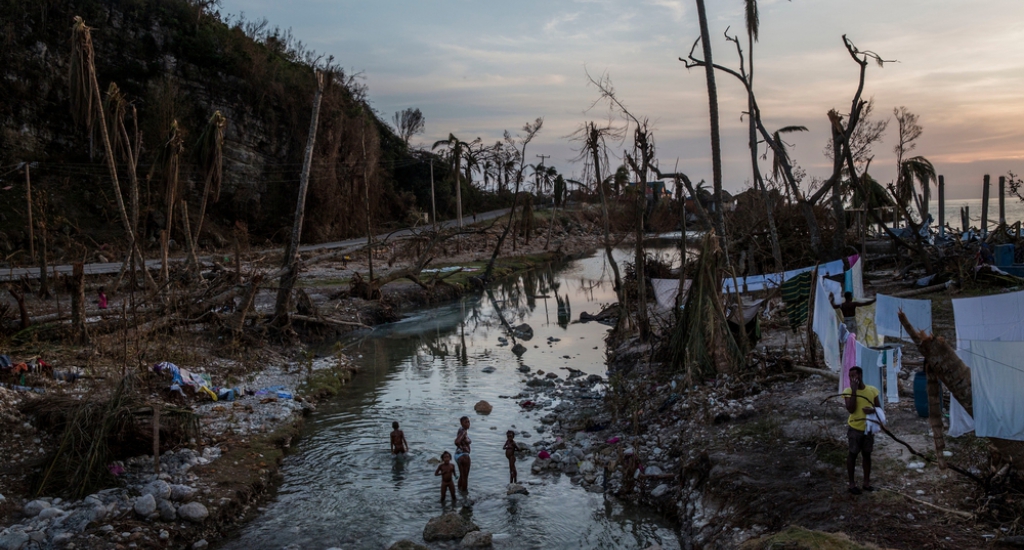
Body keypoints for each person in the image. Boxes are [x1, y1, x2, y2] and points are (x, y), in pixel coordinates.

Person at [843, 366, 881, 495]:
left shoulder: (872, 390)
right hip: (855, 428)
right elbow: (851, 409)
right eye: (850, 376)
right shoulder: (848, 391)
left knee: (867, 454)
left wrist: (872, 410)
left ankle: (866, 483)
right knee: (852, 454)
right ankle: (852, 484)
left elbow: (879, 409)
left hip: (868, 428)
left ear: (860, 375)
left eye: (854, 375)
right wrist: (854, 391)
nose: (852, 379)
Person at [454, 416, 472, 491]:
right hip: (463, 455)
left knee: (462, 476)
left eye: (468, 422)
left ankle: (459, 492)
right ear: (461, 423)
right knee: (465, 477)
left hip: (458, 455)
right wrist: (462, 448)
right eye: (466, 422)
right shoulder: (463, 431)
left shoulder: (461, 430)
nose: (468, 424)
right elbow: (457, 441)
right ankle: (465, 495)